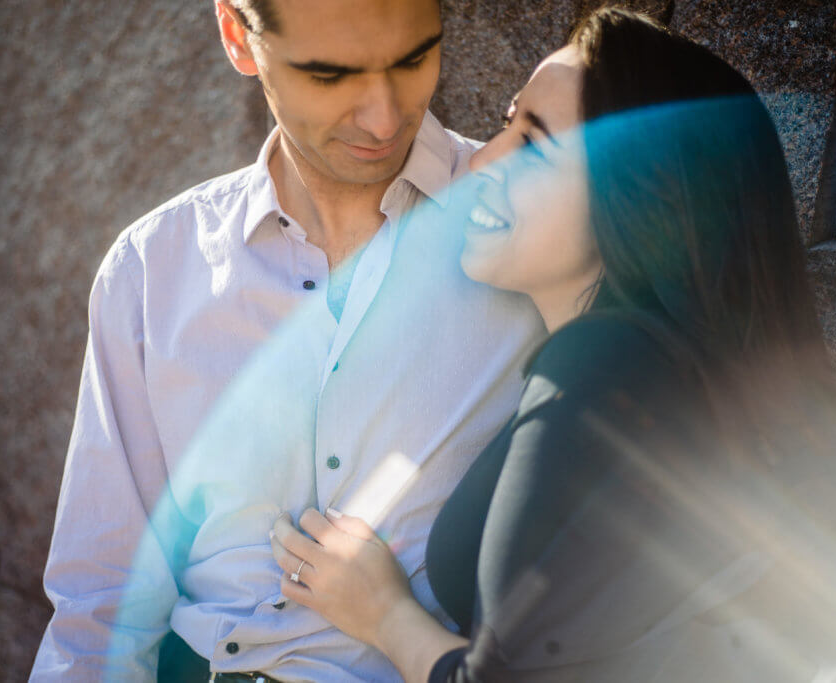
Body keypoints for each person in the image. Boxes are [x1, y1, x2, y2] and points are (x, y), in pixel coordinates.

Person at [269, 8, 836, 682]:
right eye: (504, 125)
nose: (482, 159)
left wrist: (384, 611)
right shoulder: (678, 380)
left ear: (641, 192)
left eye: (533, 142)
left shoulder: (608, 360)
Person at [30, 0, 543, 680]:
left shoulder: (535, 227)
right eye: (330, 75)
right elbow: (101, 603)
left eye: (413, 60)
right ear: (238, 37)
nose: (384, 119)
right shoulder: (151, 270)